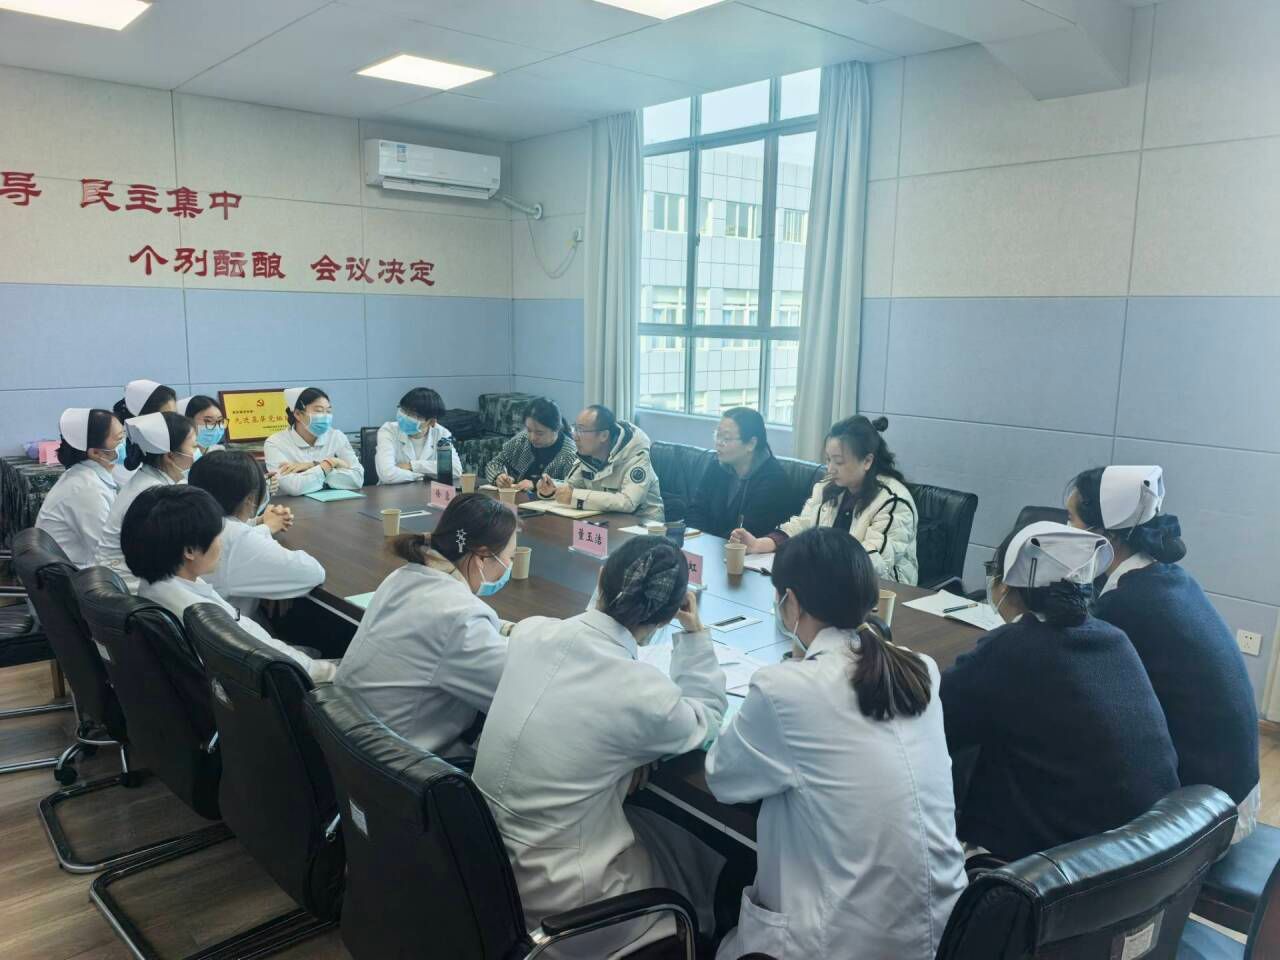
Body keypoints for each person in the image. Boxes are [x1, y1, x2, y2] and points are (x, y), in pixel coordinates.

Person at [707, 527, 965, 959]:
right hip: (946, 936)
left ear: (790, 602)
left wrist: (794, 668)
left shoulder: (783, 688)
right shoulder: (920, 669)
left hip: (837, 945)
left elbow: (722, 778)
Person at [474, 537, 727, 958]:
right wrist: (695, 634)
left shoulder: (533, 633)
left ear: (600, 578)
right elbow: (708, 720)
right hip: (568, 909)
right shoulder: (643, 695)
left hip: (485, 871)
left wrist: (628, 758)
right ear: (669, 616)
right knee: (699, 855)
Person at [940, 521, 1180, 862]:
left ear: (1009, 585)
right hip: (1154, 854)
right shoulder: (1114, 638)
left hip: (1066, 871)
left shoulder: (1013, 648)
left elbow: (936, 721)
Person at [1067, 465, 1260, 842]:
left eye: (1071, 520)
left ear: (1105, 536)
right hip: (1235, 791)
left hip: (1205, 815)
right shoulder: (1167, 578)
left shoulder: (1126, 605)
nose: (1065, 531)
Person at [335, 494, 517, 757]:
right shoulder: (461, 617)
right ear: (482, 557)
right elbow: (517, 692)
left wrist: (510, 630)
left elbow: (443, 624)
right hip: (401, 764)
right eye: (509, 557)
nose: (509, 566)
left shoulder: (402, 577)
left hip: (351, 744)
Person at [122, 485, 335, 684]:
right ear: (190, 551)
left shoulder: (158, 585)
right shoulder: (204, 616)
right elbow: (285, 665)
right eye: (217, 535)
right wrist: (334, 672)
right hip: (292, 680)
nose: (221, 543)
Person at [731, 415, 918, 584]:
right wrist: (758, 544)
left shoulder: (893, 501)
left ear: (867, 461)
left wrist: (818, 562)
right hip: (830, 582)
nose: (830, 469)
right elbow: (802, 526)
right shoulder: (828, 487)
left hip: (882, 592)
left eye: (839, 462)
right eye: (828, 460)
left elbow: (874, 563)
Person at [188, 450, 324, 619]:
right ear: (250, 499)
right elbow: (312, 573)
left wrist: (264, 526)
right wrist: (275, 588)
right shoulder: (235, 538)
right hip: (232, 629)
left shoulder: (191, 520)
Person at [93, 411, 197, 591]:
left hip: (127, 576)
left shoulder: (151, 479)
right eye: (193, 447)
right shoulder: (154, 494)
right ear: (170, 456)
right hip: (131, 585)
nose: (197, 452)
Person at [536, 404, 664, 523]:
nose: (575, 436)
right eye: (575, 428)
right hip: (606, 521)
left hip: (642, 526)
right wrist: (553, 490)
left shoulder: (636, 457)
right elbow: (570, 488)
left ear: (603, 435)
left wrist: (575, 496)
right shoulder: (587, 455)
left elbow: (628, 502)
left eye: (581, 430)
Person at [35, 408, 127, 566]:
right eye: (120, 439)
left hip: (85, 568)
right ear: (96, 453)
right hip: (77, 576)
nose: (125, 444)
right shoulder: (85, 489)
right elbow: (109, 552)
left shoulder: (86, 475)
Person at [687, 407, 790, 539]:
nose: (718, 443)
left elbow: (749, 531)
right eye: (718, 435)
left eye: (726, 438)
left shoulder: (773, 480)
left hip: (743, 550)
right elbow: (696, 510)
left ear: (751, 444)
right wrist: (698, 540)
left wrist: (710, 544)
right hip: (705, 545)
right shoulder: (717, 465)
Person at [264, 386, 364, 496]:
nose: (325, 416)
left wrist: (312, 466)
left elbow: (357, 479)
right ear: (298, 414)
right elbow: (294, 487)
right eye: (319, 411)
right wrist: (331, 463)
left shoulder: (336, 436)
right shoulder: (275, 443)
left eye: (328, 411)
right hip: (292, 506)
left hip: (337, 504)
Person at [483, 396, 578, 492]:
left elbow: (571, 488)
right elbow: (494, 464)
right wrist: (499, 476)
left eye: (539, 433)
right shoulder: (522, 439)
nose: (532, 437)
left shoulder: (570, 454)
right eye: (529, 430)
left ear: (556, 429)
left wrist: (536, 484)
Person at [374, 387, 463, 485]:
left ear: (431, 422)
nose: (405, 416)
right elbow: (387, 474)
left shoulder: (442, 434)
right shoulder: (388, 430)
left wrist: (412, 465)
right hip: (391, 492)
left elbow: (455, 469)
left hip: (426, 491)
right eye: (403, 410)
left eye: (413, 414)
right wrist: (422, 476)